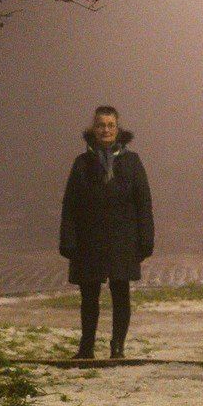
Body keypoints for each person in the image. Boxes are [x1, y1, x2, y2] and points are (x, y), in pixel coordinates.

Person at [59, 105, 155, 359]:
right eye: (101, 125)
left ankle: (118, 347)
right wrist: (67, 239)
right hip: (88, 240)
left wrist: (146, 239)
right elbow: (70, 203)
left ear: (118, 128)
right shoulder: (82, 163)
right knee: (89, 295)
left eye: (110, 125)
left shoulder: (132, 162)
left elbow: (143, 201)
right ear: (93, 128)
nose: (106, 130)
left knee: (120, 293)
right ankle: (86, 346)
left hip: (122, 239)